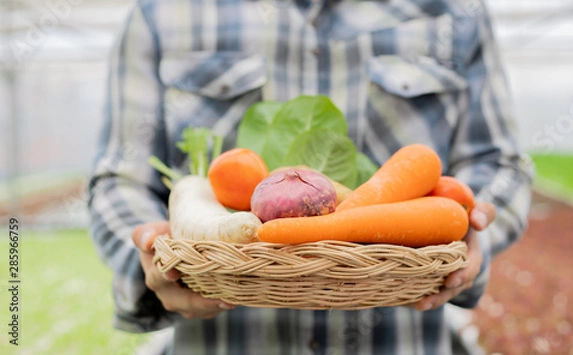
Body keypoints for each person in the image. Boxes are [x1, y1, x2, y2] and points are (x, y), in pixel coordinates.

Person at [88, 0, 533, 353]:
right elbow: (117, 179)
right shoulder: (163, 12)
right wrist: (149, 253)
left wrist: (476, 230)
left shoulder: (454, 11)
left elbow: (501, 165)